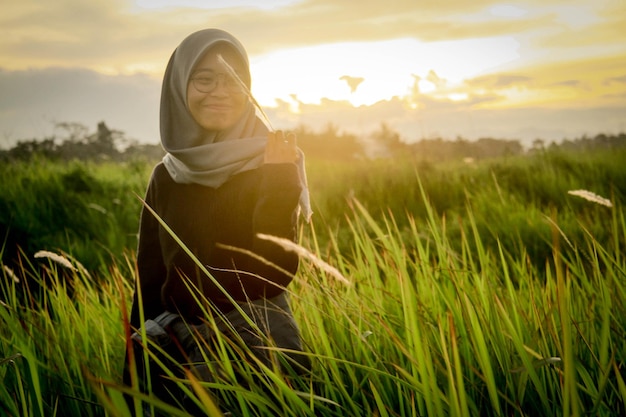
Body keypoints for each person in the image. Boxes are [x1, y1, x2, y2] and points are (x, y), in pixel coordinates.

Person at [124, 28, 312, 413]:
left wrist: (279, 180)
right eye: (203, 79)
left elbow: (274, 270)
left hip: (261, 345)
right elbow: (149, 278)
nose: (220, 92)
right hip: (180, 350)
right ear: (179, 87)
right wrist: (133, 370)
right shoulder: (168, 173)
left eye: (232, 79)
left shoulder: (270, 162)